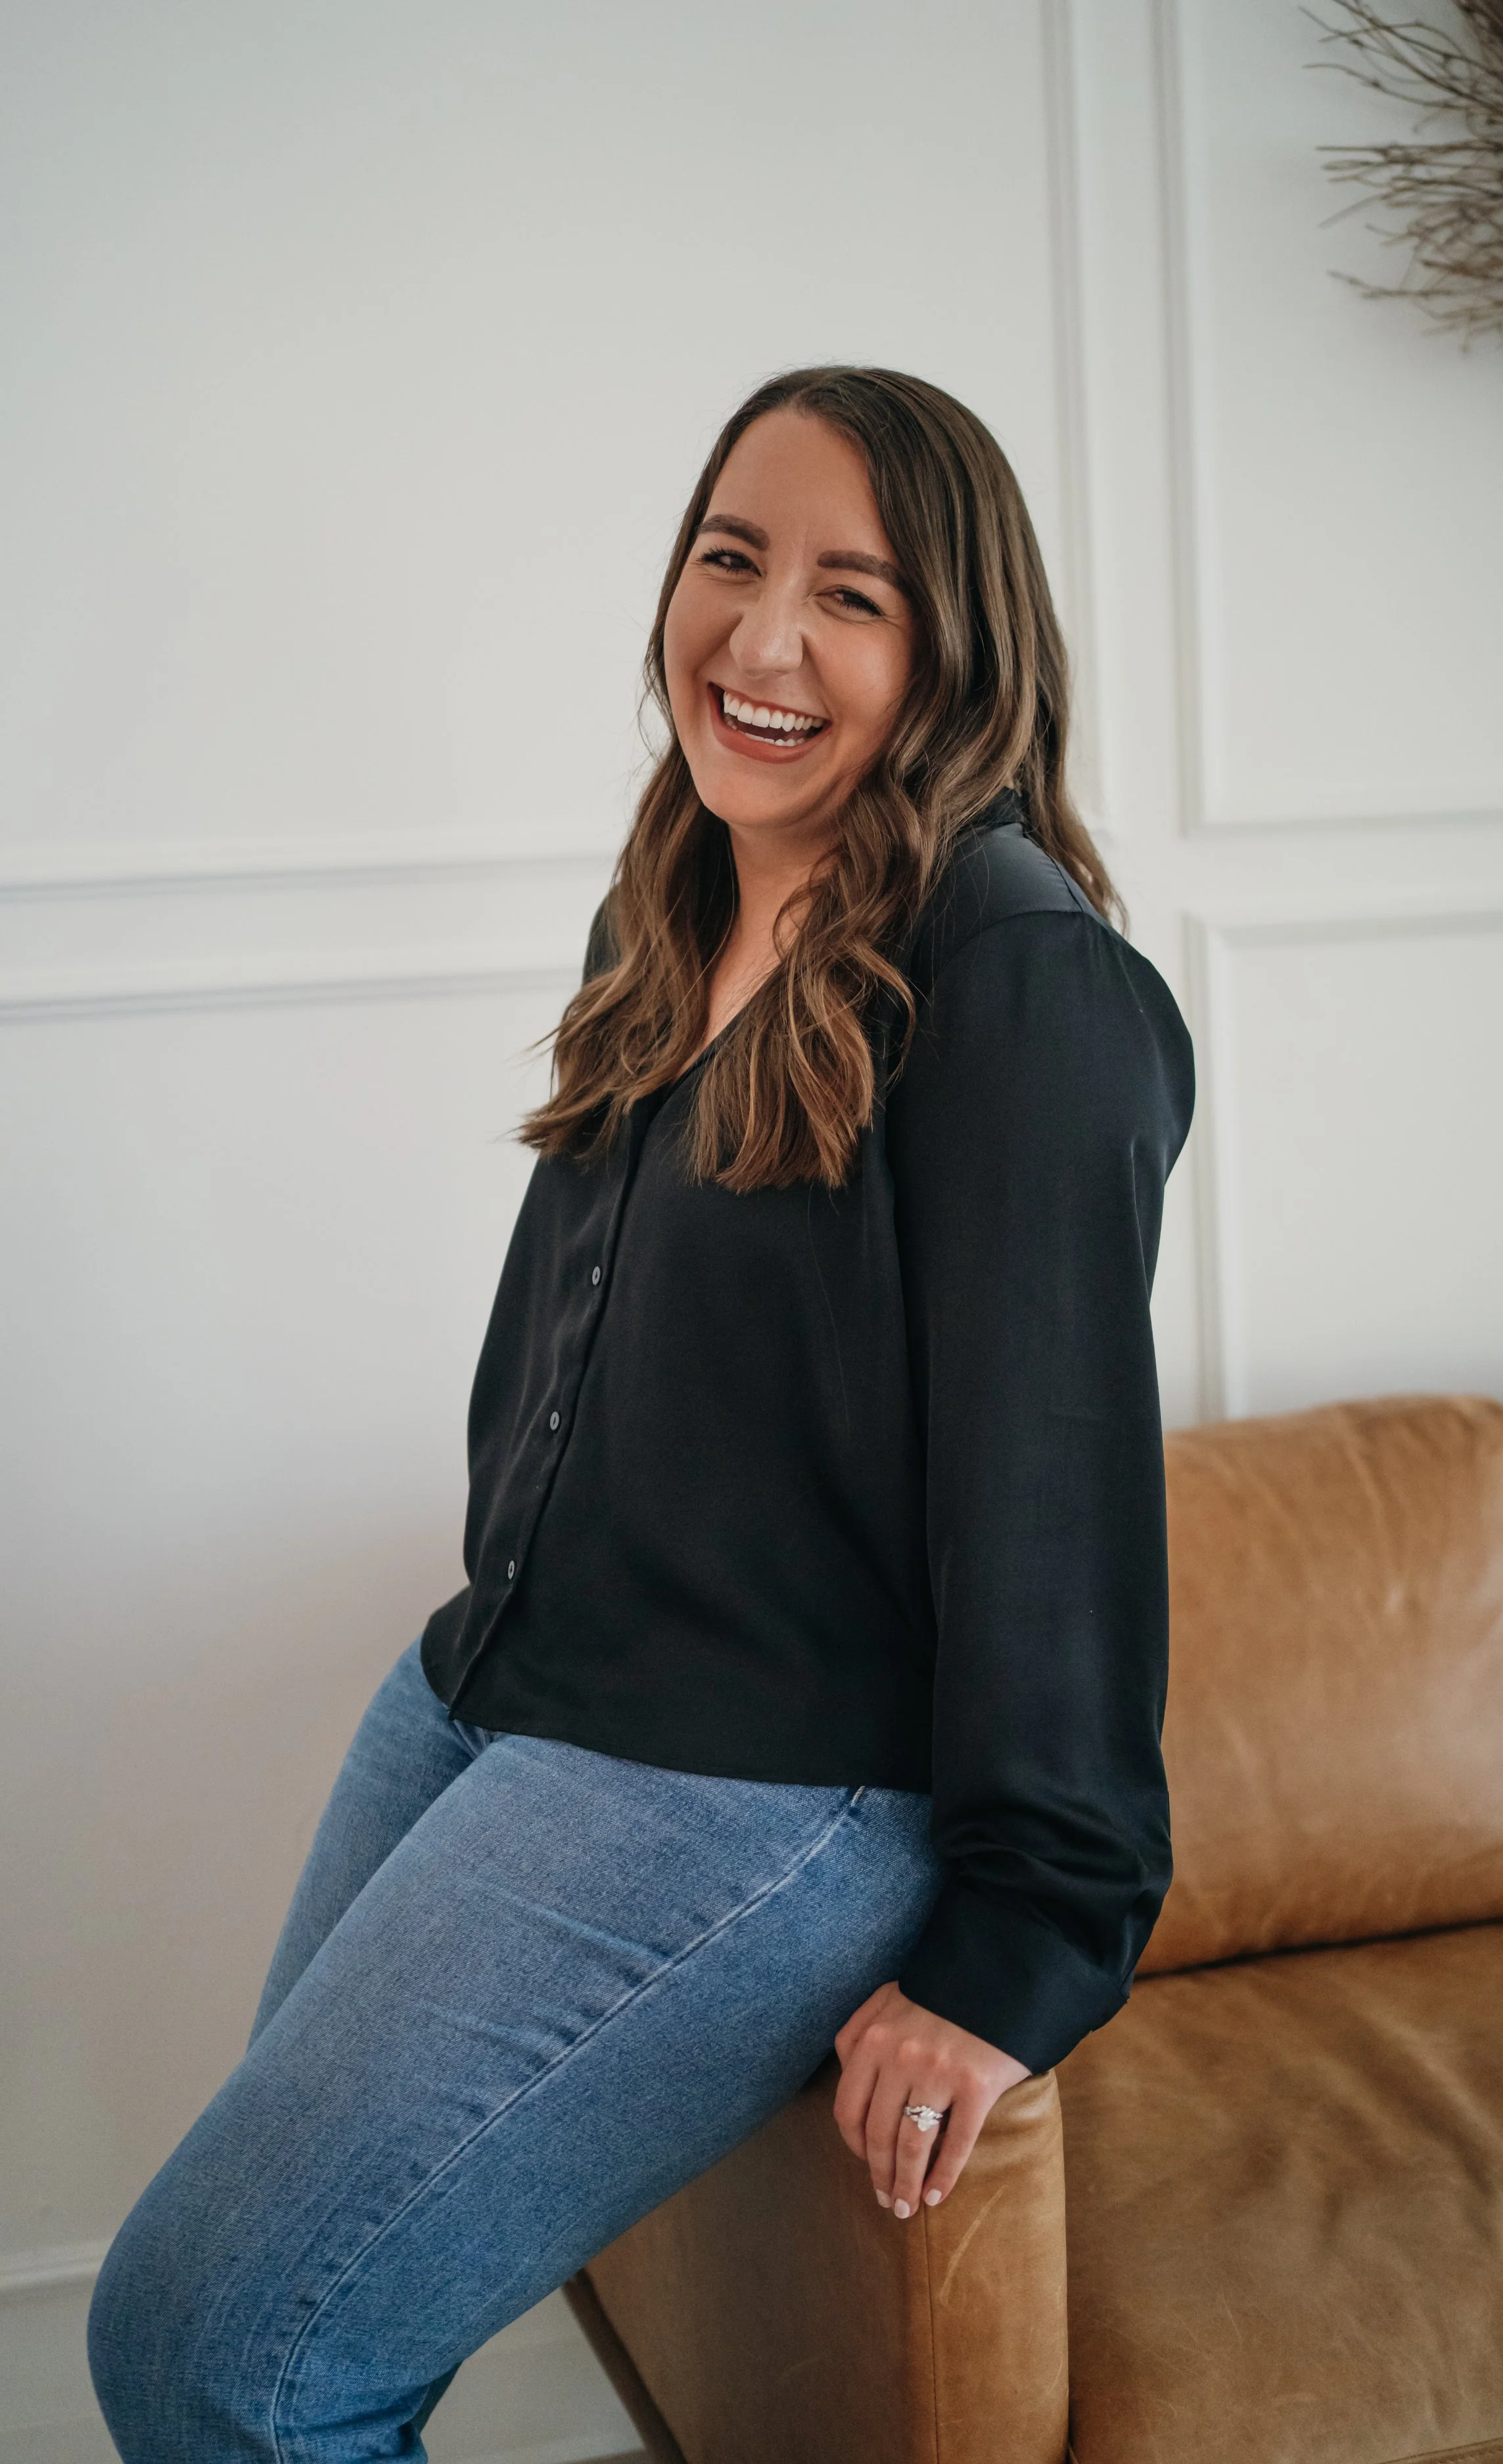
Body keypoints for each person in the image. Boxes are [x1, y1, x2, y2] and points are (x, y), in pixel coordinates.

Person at [87, 365, 1194, 2463]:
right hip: (491, 1689)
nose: (760, 638)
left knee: (213, 2354)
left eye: (851, 596)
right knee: (262, 2325)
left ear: (959, 649)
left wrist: (1025, 1942)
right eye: (728, 558)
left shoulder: (1019, 983)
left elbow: (1055, 1504)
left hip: (753, 1779)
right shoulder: (676, 897)